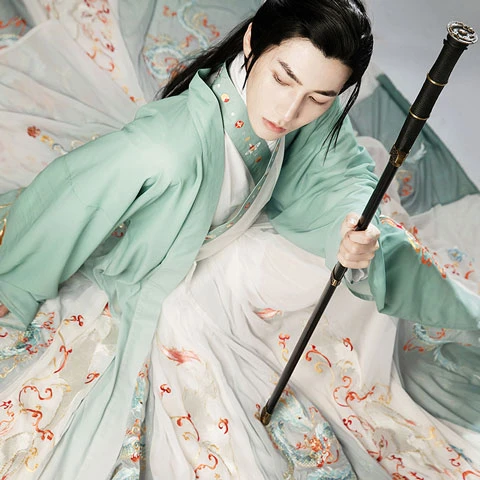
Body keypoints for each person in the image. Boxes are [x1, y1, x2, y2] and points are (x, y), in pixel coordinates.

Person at [0, 0, 478, 478]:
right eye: (282, 79)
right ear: (251, 42)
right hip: (161, 276)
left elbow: (338, 172)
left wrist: (350, 222)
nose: (289, 111)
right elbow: (70, 194)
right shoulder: (164, 148)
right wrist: (17, 288)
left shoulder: (310, 96)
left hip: (226, 248)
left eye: (319, 98)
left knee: (357, 279)